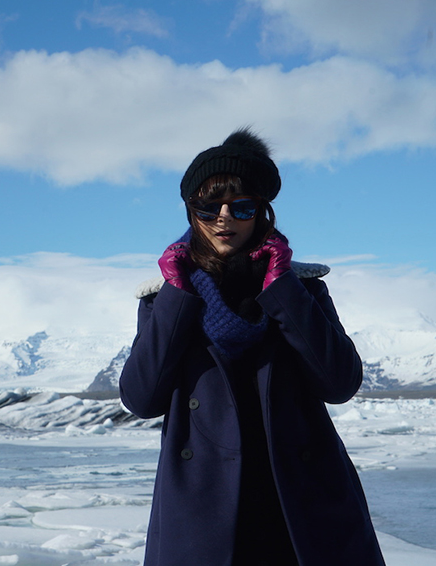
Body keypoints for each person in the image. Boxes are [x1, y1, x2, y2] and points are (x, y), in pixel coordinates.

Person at [119, 128, 385, 566]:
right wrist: (177, 295)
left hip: (303, 507)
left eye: (241, 205)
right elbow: (141, 398)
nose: (224, 218)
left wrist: (282, 289)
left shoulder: (302, 289)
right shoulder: (164, 297)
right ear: (191, 210)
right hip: (204, 510)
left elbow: (340, 383)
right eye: (209, 205)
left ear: (261, 211)